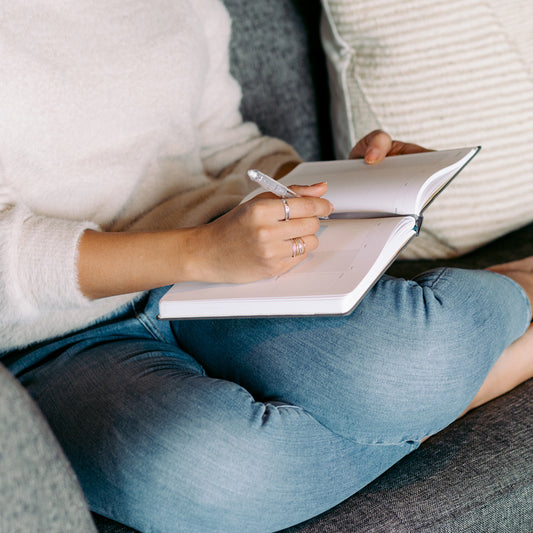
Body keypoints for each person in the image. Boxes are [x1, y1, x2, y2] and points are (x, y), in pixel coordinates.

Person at [1, 1, 532, 532]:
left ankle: (510, 291)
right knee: (209, 476)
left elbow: (229, 147)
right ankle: (465, 388)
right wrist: (202, 251)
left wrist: (337, 185)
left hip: (223, 266)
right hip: (55, 339)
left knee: (418, 355)